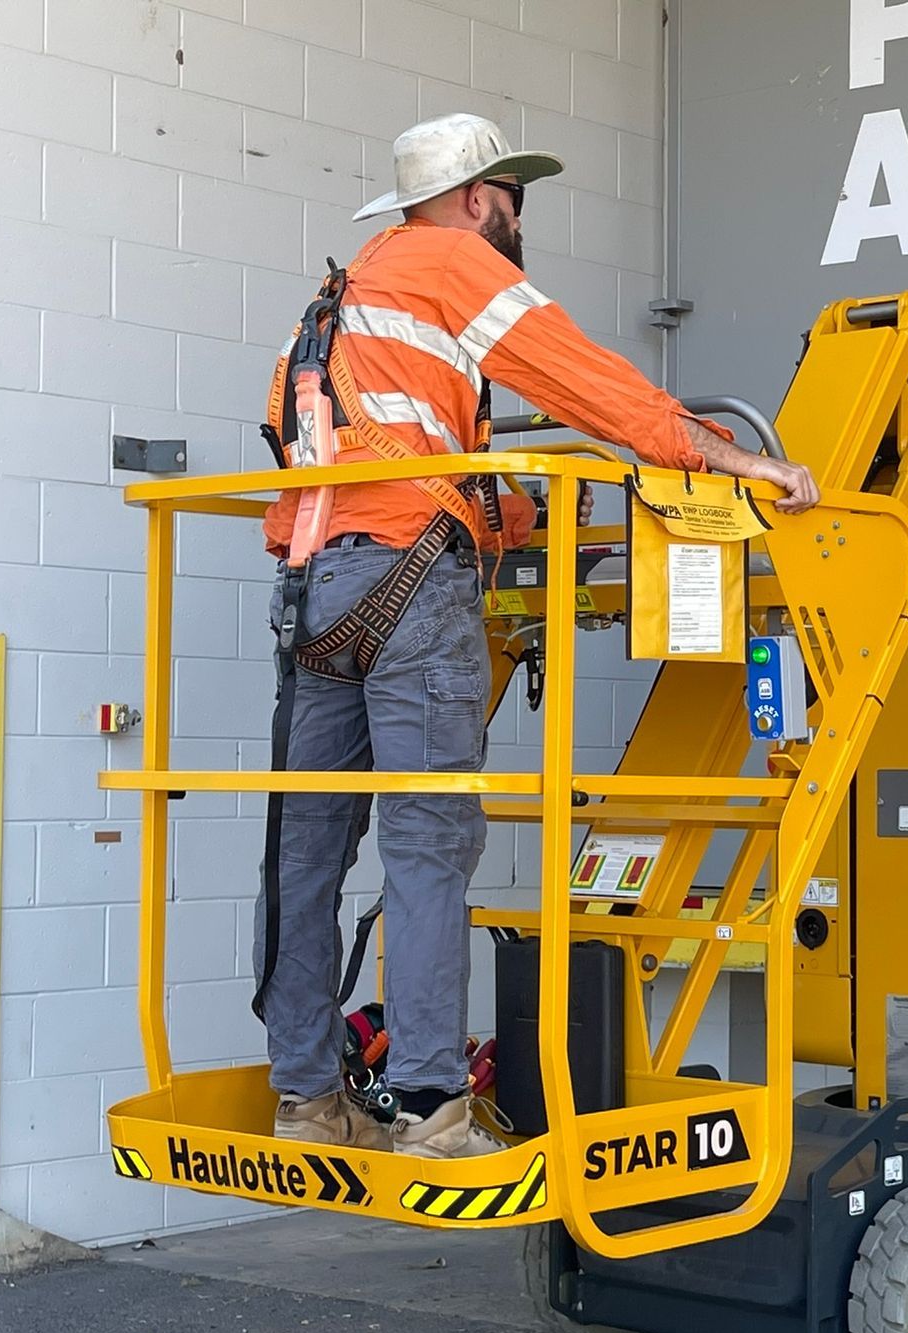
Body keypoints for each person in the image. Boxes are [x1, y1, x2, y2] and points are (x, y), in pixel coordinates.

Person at [254, 113, 818, 1158]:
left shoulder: (336, 302)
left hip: (311, 594)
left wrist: (528, 521)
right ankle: (428, 1105)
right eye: (515, 203)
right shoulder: (452, 264)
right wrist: (722, 457)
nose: (517, 224)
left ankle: (307, 1099)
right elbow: (578, 377)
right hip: (409, 591)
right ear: (480, 199)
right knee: (430, 848)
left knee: (304, 854)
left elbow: (391, 457)